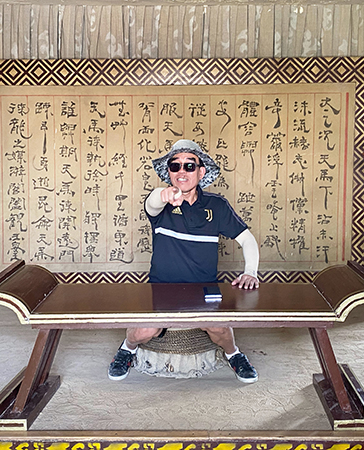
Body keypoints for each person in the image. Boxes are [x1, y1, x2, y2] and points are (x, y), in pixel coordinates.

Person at [108, 139, 260, 383]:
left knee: (220, 329)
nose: (182, 171)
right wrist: (165, 194)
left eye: (189, 166)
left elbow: (247, 240)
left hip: (205, 288)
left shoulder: (217, 206)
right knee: (145, 330)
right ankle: (127, 349)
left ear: (201, 172)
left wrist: (250, 272)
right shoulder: (161, 204)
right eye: (175, 166)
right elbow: (152, 202)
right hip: (161, 288)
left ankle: (234, 355)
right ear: (169, 172)